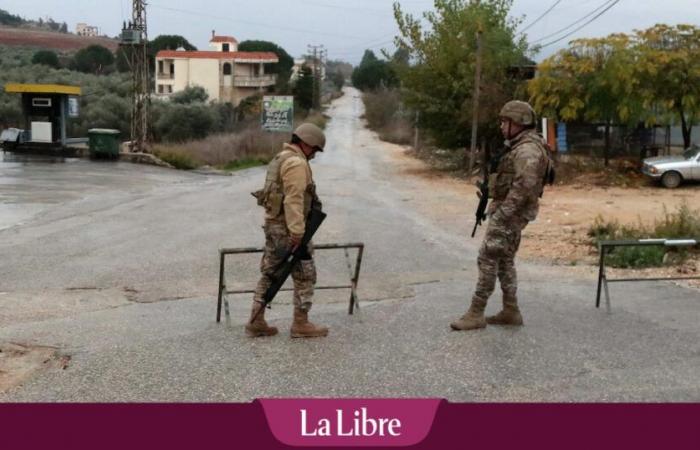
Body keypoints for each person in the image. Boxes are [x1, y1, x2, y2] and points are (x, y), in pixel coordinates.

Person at [451, 100, 552, 331]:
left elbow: (525, 186)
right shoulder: (520, 146)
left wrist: (504, 213)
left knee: (487, 258)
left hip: (511, 214)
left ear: (519, 123)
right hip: (511, 212)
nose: (501, 126)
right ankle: (511, 310)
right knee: (504, 260)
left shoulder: (527, 150)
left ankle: (476, 313)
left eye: (505, 121)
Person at [246, 123, 329, 338]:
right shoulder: (296, 163)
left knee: (271, 273)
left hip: (275, 226)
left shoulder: (281, 157)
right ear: (306, 143)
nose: (314, 155)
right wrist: (297, 233)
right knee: (305, 275)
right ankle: (301, 324)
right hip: (288, 229)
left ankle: (256, 320)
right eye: (315, 150)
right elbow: (294, 199)